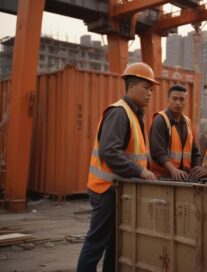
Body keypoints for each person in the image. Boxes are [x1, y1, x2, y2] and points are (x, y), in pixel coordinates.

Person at [76, 62, 159, 272]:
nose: (150, 93)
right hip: (106, 189)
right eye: (145, 87)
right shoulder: (119, 113)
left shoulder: (133, 113)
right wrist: (140, 171)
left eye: (151, 89)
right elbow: (109, 152)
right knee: (96, 243)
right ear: (131, 86)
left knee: (115, 244)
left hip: (117, 189)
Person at [149, 84, 202, 180]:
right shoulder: (160, 120)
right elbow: (157, 152)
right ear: (168, 99)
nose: (178, 103)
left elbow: (195, 152)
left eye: (181, 99)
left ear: (186, 101)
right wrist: (173, 170)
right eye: (174, 99)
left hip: (184, 178)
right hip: (162, 178)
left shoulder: (188, 122)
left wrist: (197, 168)